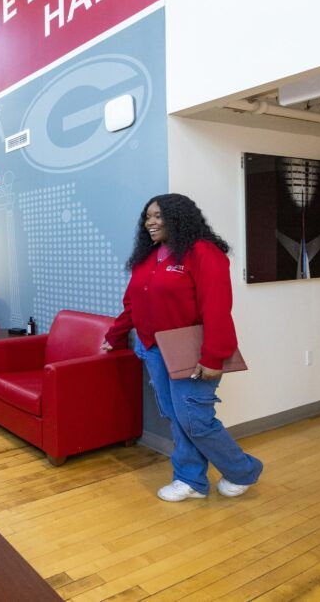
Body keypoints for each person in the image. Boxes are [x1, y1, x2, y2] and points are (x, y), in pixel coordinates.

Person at [102, 193, 263, 502]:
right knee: (176, 417)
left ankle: (243, 470)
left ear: (178, 217)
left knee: (195, 420)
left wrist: (214, 356)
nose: (150, 222)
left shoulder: (204, 252)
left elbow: (216, 309)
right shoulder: (148, 256)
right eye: (147, 216)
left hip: (192, 353)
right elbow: (132, 304)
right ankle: (191, 480)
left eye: (158, 216)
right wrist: (115, 335)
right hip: (153, 349)